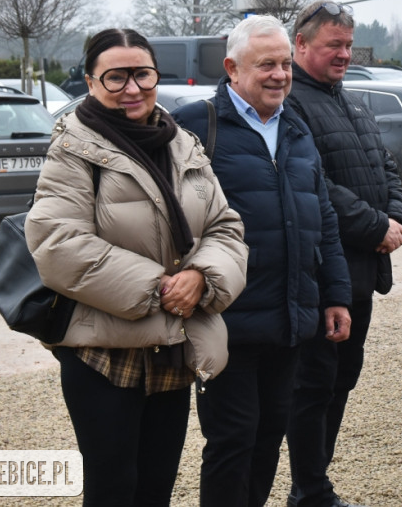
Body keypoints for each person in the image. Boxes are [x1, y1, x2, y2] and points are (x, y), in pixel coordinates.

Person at [25, 28, 248, 507]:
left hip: (172, 346)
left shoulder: (182, 144)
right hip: (104, 353)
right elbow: (57, 243)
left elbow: (225, 227)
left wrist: (202, 278)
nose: (132, 88)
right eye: (116, 77)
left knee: (155, 488)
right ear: (90, 82)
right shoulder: (74, 148)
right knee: (112, 490)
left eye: (142, 74)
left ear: (155, 75)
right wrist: (162, 288)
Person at [171, 16, 352, 507]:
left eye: (285, 64)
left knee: (271, 433)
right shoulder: (195, 125)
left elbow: (324, 219)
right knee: (233, 440)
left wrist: (335, 295)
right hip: (225, 317)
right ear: (232, 68)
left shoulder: (295, 128)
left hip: (290, 317)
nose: (279, 75)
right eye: (266, 65)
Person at [284, 0, 402, 507]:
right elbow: (314, 183)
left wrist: (398, 219)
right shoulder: (292, 102)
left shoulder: (350, 101)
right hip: (322, 272)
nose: (344, 54)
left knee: (342, 380)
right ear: (301, 45)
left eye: (347, 45)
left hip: (360, 271)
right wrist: (375, 226)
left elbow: (386, 167)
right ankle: (310, 489)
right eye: (333, 45)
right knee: (315, 384)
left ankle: (313, 484)